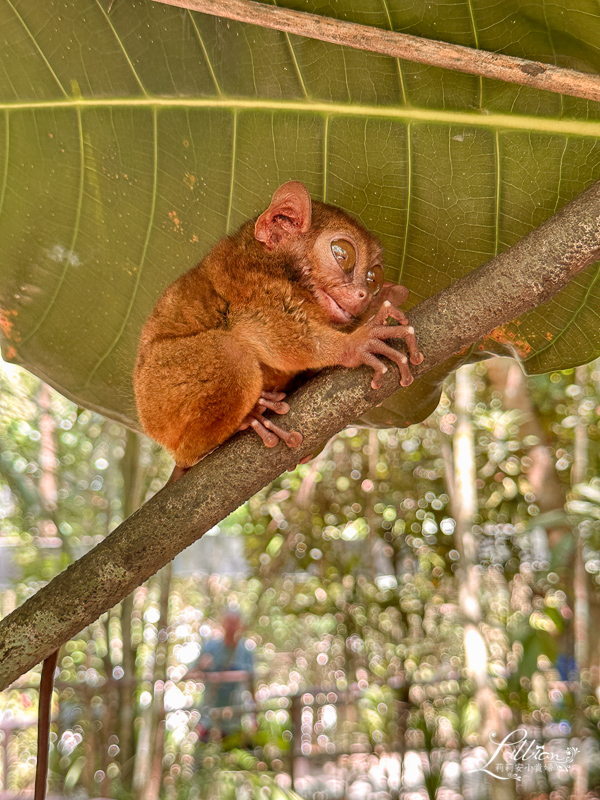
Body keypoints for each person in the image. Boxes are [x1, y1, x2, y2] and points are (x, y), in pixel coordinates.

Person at [188, 609, 255, 746]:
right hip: (208, 717)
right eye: (228, 622)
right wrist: (201, 666)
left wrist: (254, 717)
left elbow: (252, 685)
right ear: (223, 623)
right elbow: (189, 675)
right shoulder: (210, 648)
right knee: (202, 759)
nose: (231, 627)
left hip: (234, 719)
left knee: (234, 759)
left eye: (234, 623)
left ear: (240, 625)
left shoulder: (246, 652)